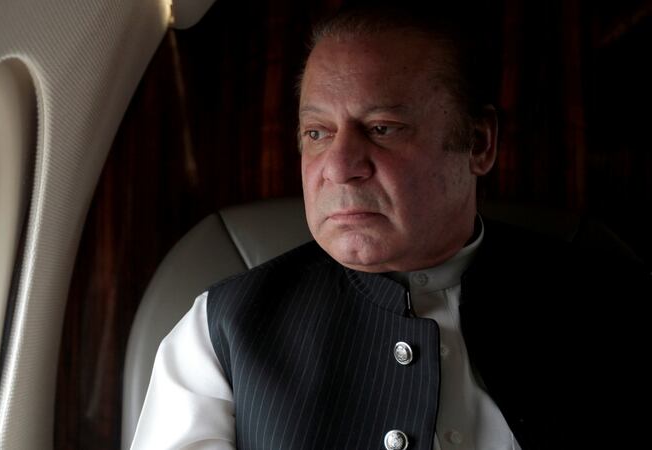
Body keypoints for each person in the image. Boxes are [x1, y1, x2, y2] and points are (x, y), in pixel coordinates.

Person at [131, 4, 650, 450]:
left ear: (479, 143)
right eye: (317, 132)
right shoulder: (219, 330)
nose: (339, 166)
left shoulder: (619, 309)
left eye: (381, 129)